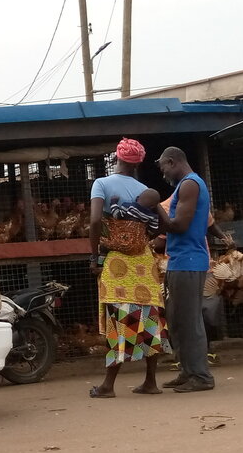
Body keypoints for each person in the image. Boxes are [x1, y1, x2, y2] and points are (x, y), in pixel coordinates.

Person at [87, 138, 170, 398]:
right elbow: (164, 223)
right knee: (149, 318)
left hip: (117, 262)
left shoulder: (102, 184)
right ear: (138, 163)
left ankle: (108, 385)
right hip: (144, 262)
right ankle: (150, 382)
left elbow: (95, 221)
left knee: (119, 318)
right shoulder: (145, 189)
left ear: (116, 158)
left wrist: (94, 256)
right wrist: (146, 236)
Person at [155, 147, 215, 393]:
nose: (164, 173)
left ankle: (201, 376)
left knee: (190, 321)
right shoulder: (185, 186)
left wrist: (155, 206)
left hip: (189, 261)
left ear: (172, 161)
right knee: (178, 320)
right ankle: (188, 371)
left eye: (164, 168)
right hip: (180, 260)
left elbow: (179, 225)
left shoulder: (190, 185)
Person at [152, 197, 233, 367]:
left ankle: (195, 355)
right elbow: (210, 227)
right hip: (194, 265)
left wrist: (148, 244)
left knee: (186, 313)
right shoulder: (186, 203)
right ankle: (192, 356)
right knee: (198, 312)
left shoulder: (172, 206)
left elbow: (210, 225)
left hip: (184, 267)